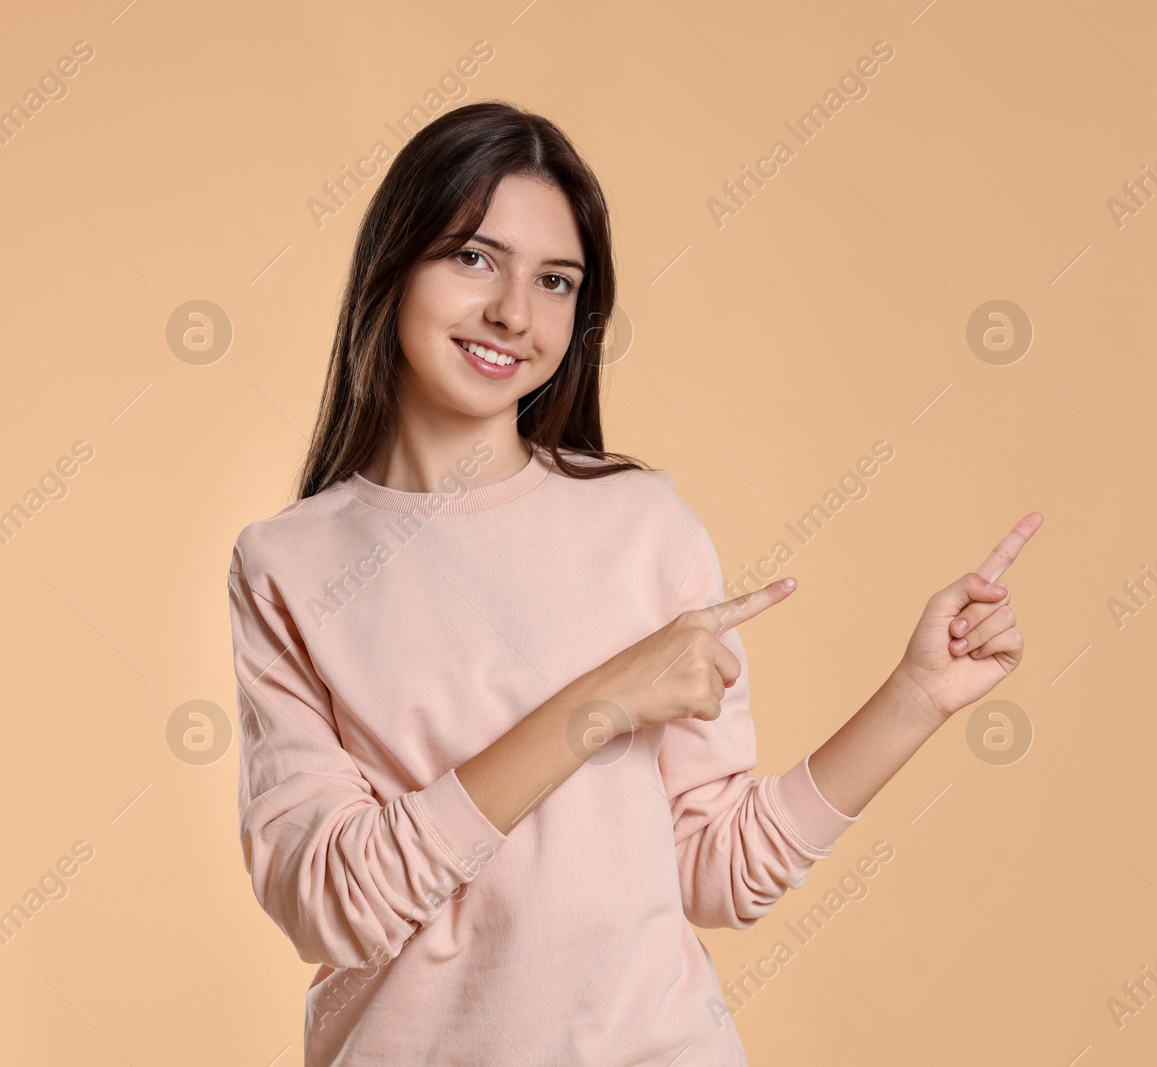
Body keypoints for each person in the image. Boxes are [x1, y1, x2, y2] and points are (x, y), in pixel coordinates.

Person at [227, 98, 1041, 1066]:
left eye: (556, 280)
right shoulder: (289, 561)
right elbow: (333, 906)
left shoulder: (640, 523)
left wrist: (914, 698)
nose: (513, 314)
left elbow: (714, 869)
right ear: (392, 263)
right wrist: (599, 703)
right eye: (473, 257)